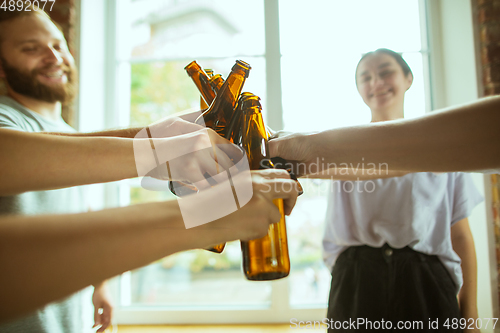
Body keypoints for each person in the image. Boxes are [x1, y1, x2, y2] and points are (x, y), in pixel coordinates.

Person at [0, 4, 298, 332]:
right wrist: (160, 153)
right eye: (30, 48)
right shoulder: (6, 118)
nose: (54, 57)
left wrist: (100, 283)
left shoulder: (62, 130)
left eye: (58, 46)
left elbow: (71, 203)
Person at [317, 49, 482, 332]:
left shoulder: (443, 148)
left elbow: (460, 235)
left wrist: (470, 311)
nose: (376, 82)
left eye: (385, 71)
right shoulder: (344, 150)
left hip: (426, 282)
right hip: (358, 280)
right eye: (365, 77)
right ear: (358, 89)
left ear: (408, 78)